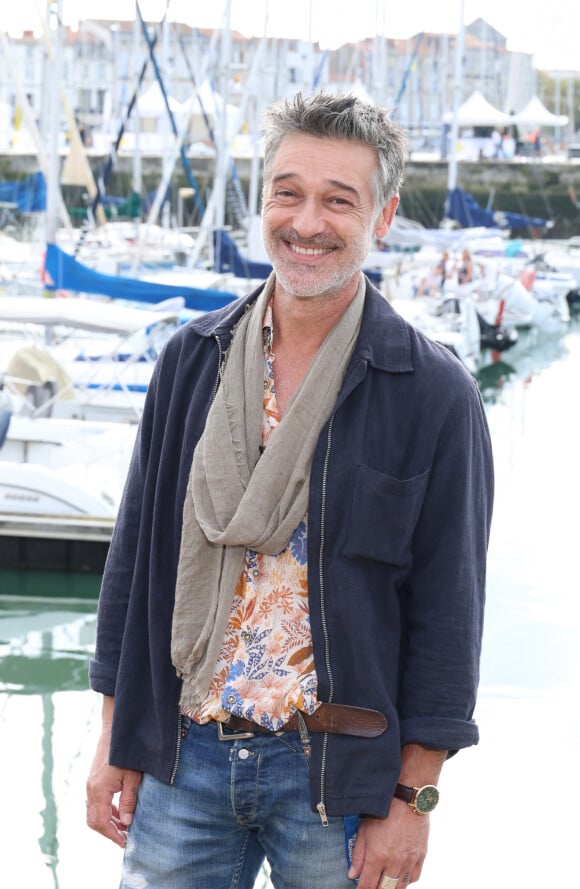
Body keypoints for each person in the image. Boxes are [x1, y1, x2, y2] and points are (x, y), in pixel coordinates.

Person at [86, 91, 494, 889]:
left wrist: (413, 798)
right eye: (289, 192)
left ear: (382, 217)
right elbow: (133, 567)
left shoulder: (433, 391)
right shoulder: (189, 362)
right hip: (180, 761)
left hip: (338, 780)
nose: (307, 222)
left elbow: (450, 612)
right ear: (263, 198)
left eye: (338, 199)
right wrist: (112, 740)